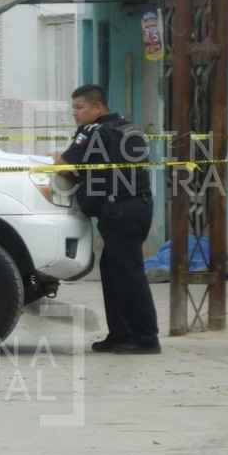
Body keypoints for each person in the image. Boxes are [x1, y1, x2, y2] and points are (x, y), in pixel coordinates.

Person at [50, 84, 160, 355]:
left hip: (121, 211)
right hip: (135, 208)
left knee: (129, 274)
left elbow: (63, 164)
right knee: (113, 273)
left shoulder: (95, 130)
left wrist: (59, 160)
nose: (75, 114)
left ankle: (146, 337)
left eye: (79, 108)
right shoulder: (128, 126)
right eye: (73, 108)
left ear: (97, 107)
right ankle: (121, 334)